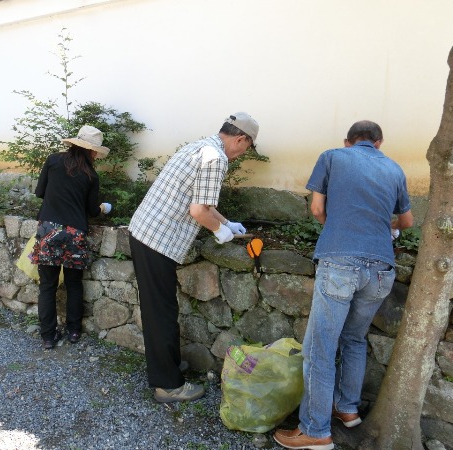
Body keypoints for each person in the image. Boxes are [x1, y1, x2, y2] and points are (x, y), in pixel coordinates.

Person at [274, 120, 414, 450]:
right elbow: (406, 222)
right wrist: (385, 227)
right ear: (379, 143)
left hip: (340, 263)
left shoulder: (333, 156)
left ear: (347, 141)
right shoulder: (394, 169)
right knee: (353, 339)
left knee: (320, 349)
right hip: (381, 269)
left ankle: (315, 430)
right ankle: (347, 409)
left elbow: (317, 208)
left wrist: (333, 226)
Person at [128, 112, 259, 403]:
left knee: (163, 309)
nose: (244, 153)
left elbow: (203, 203)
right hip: (156, 241)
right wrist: (219, 232)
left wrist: (226, 224)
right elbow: (198, 211)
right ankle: (167, 385)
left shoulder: (200, 147)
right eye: (247, 147)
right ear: (241, 139)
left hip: (146, 233)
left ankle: (170, 366)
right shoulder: (217, 158)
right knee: (160, 313)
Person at [31, 125, 112, 350]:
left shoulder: (53, 161)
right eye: (95, 151)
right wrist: (104, 208)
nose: (96, 154)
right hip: (75, 232)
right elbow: (92, 211)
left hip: (48, 228)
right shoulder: (91, 175)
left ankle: (48, 336)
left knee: (47, 285)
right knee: (74, 284)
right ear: (90, 151)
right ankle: (74, 331)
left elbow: (39, 193)